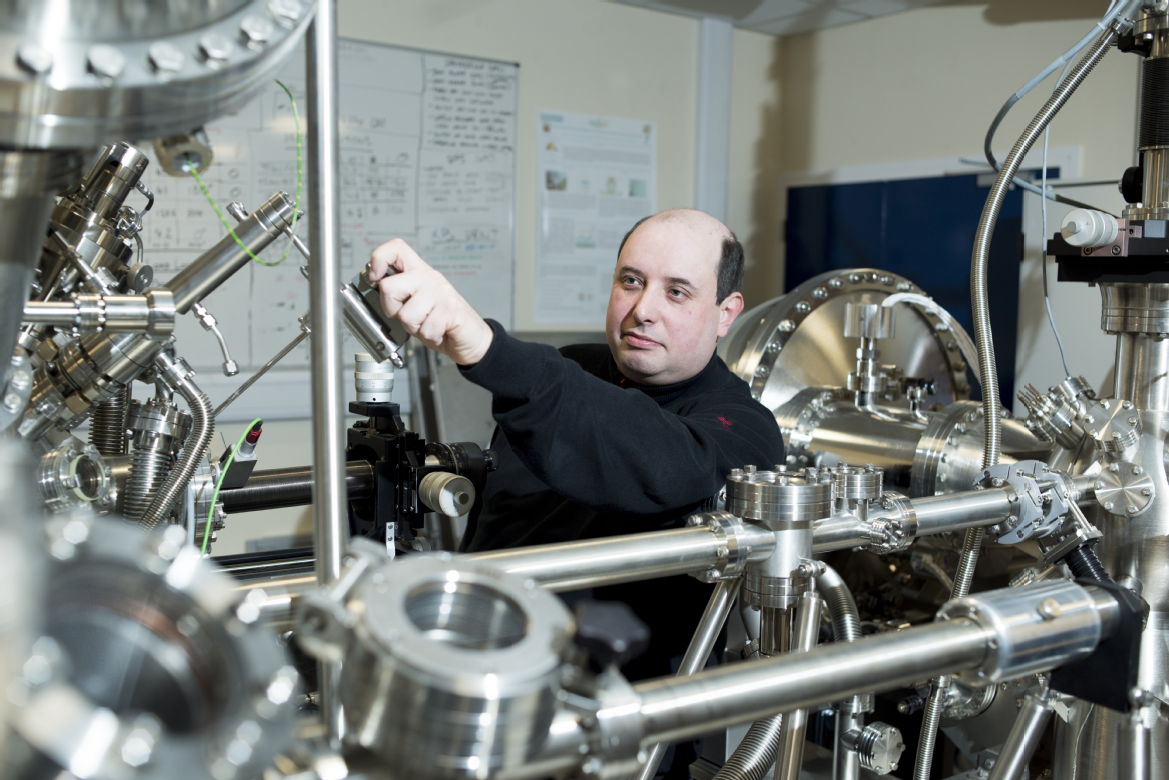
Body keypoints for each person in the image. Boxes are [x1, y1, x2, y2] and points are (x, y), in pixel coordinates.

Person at [368, 209, 783, 776]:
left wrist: (486, 347)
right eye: (631, 281)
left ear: (725, 313)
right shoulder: (572, 368)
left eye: (677, 292)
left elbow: (658, 459)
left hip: (613, 736)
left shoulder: (741, 428)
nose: (643, 309)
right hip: (478, 690)